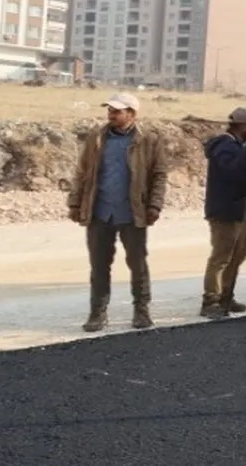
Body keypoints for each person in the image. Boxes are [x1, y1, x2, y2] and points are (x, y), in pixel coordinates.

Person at [67, 92, 168, 332]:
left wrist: (154, 205)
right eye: (110, 110)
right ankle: (97, 313)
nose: (111, 115)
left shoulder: (149, 140)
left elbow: (159, 175)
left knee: (137, 263)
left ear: (132, 114)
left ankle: (141, 310)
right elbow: (82, 172)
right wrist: (75, 202)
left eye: (117, 111)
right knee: (99, 265)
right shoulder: (97, 138)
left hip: (132, 213)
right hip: (99, 212)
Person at [200, 107, 246, 319]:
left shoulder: (237, 146)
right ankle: (211, 301)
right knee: (222, 257)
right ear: (243, 126)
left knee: (237, 256)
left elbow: (241, 176)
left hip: (242, 211)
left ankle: (226, 295)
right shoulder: (224, 146)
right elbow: (230, 171)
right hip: (226, 213)